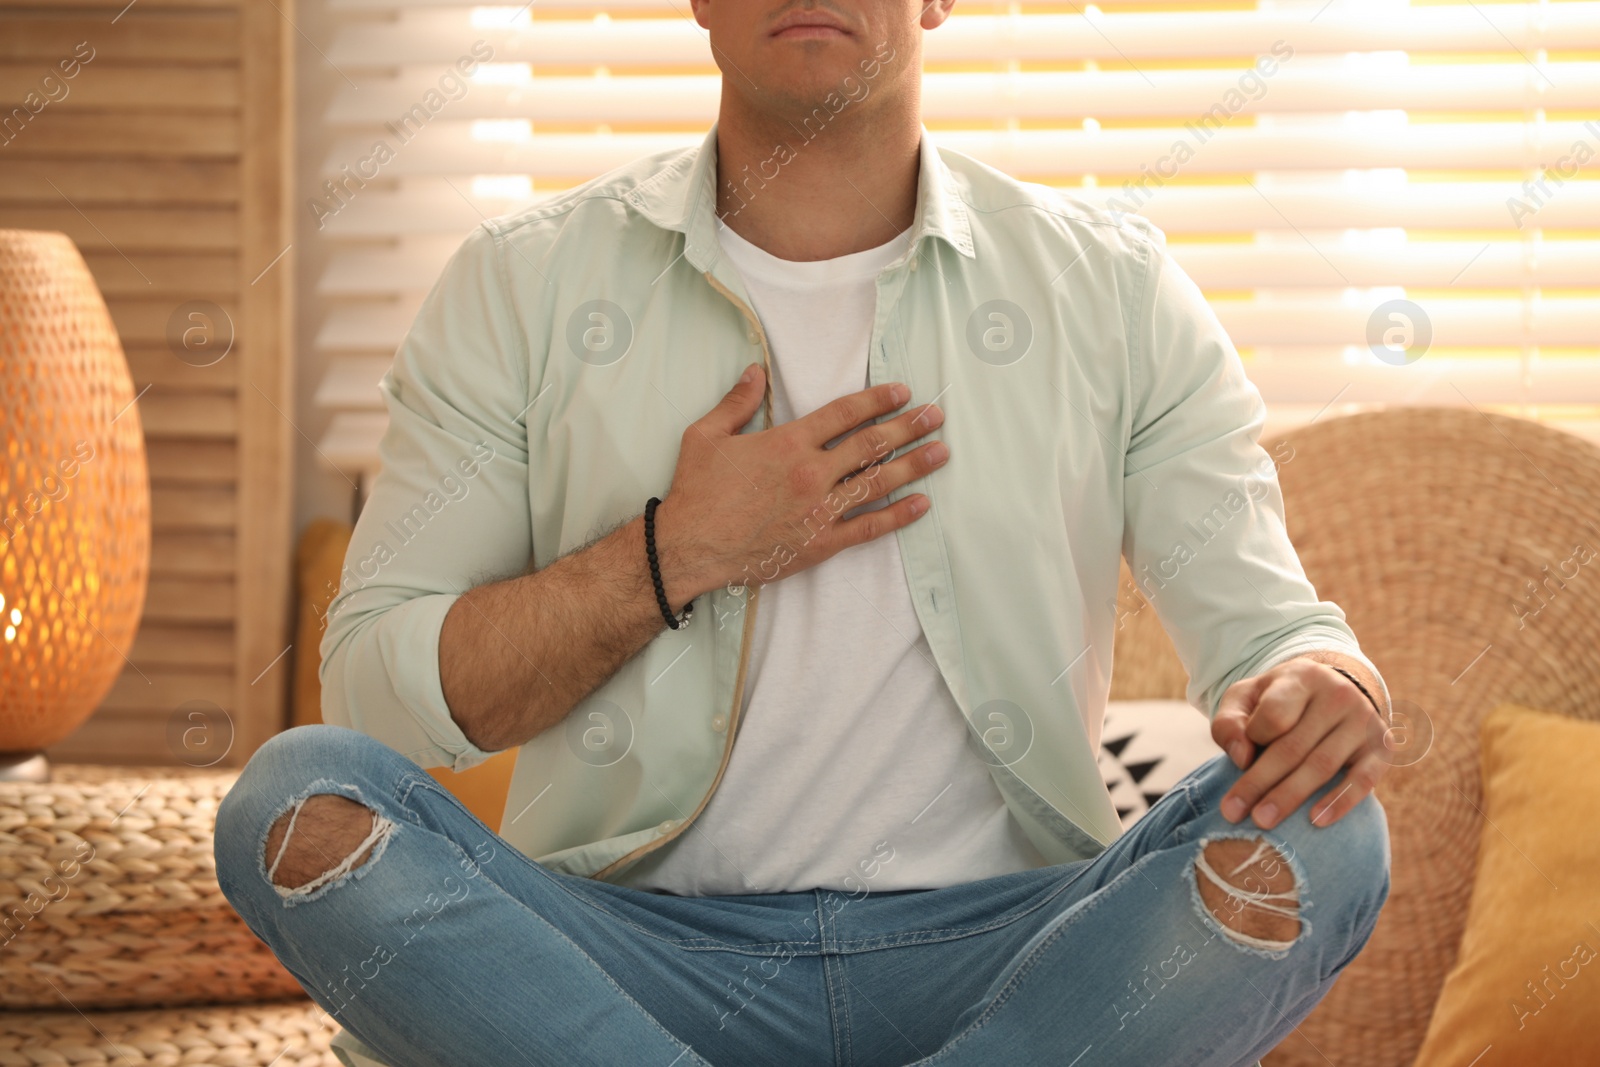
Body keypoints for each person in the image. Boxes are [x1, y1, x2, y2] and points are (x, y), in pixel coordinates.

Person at [215, 2, 1394, 1064]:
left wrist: (1318, 681)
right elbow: (375, 695)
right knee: (291, 800)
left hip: (1011, 955)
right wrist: (675, 552)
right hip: (630, 955)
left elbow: (1270, 632)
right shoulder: (516, 288)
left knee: (1329, 831)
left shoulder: (1114, 288)